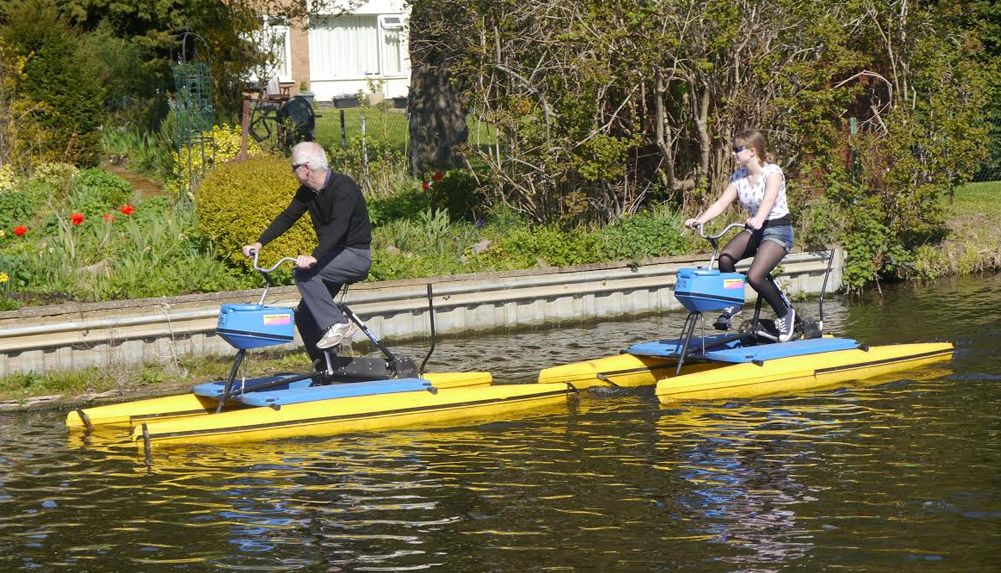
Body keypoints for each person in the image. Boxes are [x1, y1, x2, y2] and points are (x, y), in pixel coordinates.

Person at [242, 141, 372, 350]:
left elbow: (338, 227)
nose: (292, 171)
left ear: (306, 168)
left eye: (293, 167)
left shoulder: (344, 187)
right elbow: (287, 217)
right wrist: (259, 243)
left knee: (303, 274)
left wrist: (315, 256)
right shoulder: (307, 192)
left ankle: (338, 323)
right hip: (332, 257)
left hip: (355, 255)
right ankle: (325, 368)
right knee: (305, 316)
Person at [684, 128, 796, 342]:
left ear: (752, 151)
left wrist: (759, 218)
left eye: (737, 149)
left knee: (755, 276)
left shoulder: (772, 172)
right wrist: (700, 220)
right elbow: (721, 203)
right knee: (726, 258)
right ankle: (733, 303)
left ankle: (785, 314)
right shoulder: (738, 178)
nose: (733, 153)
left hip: (778, 229)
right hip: (756, 228)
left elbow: (769, 200)